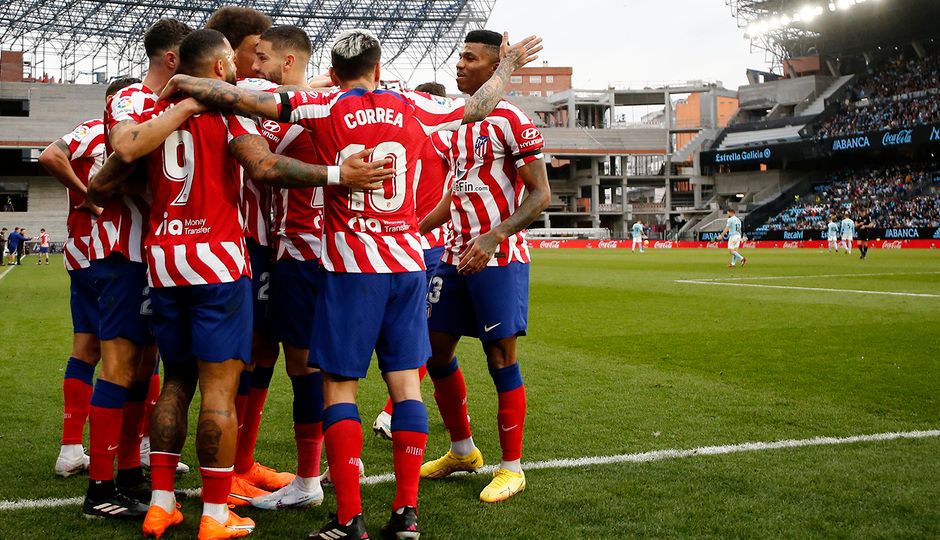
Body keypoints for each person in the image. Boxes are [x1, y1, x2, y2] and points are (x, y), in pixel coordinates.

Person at [162, 26, 542, 538]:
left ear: (335, 73)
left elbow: (238, 97)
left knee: (338, 387)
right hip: (407, 264)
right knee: (407, 385)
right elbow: (479, 104)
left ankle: (349, 519)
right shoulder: (415, 106)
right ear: (379, 69)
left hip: (350, 268)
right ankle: (406, 515)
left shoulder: (324, 107)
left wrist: (186, 79)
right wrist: (509, 65)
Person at [90, 29, 389, 539]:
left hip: (163, 260)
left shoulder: (145, 114)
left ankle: (162, 503)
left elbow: (103, 179)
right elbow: (265, 166)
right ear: (217, 69)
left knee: (176, 381)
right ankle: (214, 513)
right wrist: (336, 174)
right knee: (219, 393)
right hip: (219, 264)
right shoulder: (227, 113)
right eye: (232, 59)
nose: (239, 66)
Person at [416, 29, 550, 505]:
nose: (459, 65)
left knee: (500, 358)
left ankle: (511, 468)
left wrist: (495, 236)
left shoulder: (514, 121)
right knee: (434, 352)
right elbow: (454, 195)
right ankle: (462, 450)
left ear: (494, 66)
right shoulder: (459, 122)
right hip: (452, 254)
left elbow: (540, 194)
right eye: (459, 56)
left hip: (498, 256)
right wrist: (414, 228)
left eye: (469, 59)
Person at [81, 18, 195, 520]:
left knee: (144, 368)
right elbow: (123, 156)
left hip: (154, 256)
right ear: (171, 60)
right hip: (125, 253)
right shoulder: (130, 99)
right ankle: (99, 489)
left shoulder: (169, 107)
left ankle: (127, 472)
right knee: (119, 366)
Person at [205, 6, 294, 503]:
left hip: (266, 243)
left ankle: (241, 462)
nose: (260, 60)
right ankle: (220, 471)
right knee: (232, 360)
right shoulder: (225, 101)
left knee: (264, 351)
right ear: (229, 50)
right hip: (234, 244)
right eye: (254, 50)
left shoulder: (252, 98)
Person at [243, 25, 328, 510]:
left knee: (304, 367)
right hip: (297, 252)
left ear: (289, 62)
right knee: (272, 357)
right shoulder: (331, 109)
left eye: (262, 58)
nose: (254, 68)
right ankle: (309, 468)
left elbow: (263, 150)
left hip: (303, 253)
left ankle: (309, 480)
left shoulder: (302, 116)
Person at [38, 78, 136, 477]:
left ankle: (71, 450)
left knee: (87, 348)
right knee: (132, 351)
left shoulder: (102, 132)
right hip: (109, 250)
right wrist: (89, 198)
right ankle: (133, 450)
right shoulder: (99, 130)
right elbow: (48, 156)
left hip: (85, 254)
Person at [372, 81, 453, 441]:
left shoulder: (391, 129)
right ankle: (452, 434)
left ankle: (396, 411)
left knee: (425, 338)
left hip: (393, 242)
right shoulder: (447, 138)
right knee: (422, 337)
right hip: (427, 242)